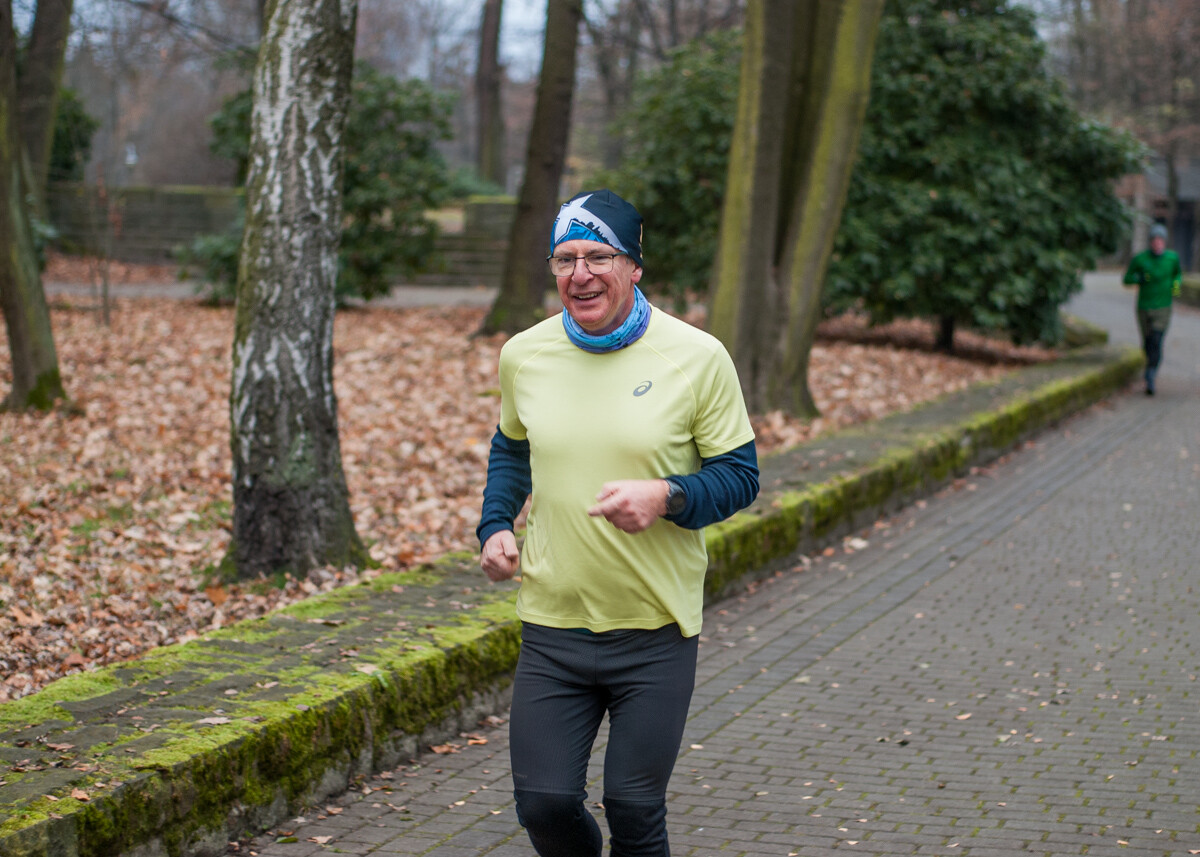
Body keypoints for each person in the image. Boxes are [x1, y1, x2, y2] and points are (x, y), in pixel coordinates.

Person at [477, 189, 760, 857]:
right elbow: (511, 447)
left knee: (634, 808)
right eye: (565, 258)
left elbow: (740, 477)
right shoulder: (525, 354)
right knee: (544, 805)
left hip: (654, 628)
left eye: (598, 255)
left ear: (634, 264)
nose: (580, 274)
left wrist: (665, 495)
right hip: (554, 623)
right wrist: (494, 523)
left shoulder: (697, 356)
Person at [1123, 222, 1182, 396]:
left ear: (1164, 242)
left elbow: (1177, 274)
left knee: (1157, 340)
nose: (1157, 244)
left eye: (1160, 240)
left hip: (1163, 307)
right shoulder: (1140, 259)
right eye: (1154, 240)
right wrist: (1139, 278)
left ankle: (1150, 375)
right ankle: (1149, 367)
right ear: (1150, 242)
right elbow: (1127, 279)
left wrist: (1176, 286)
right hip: (1144, 307)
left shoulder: (1172, 258)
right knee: (1148, 343)